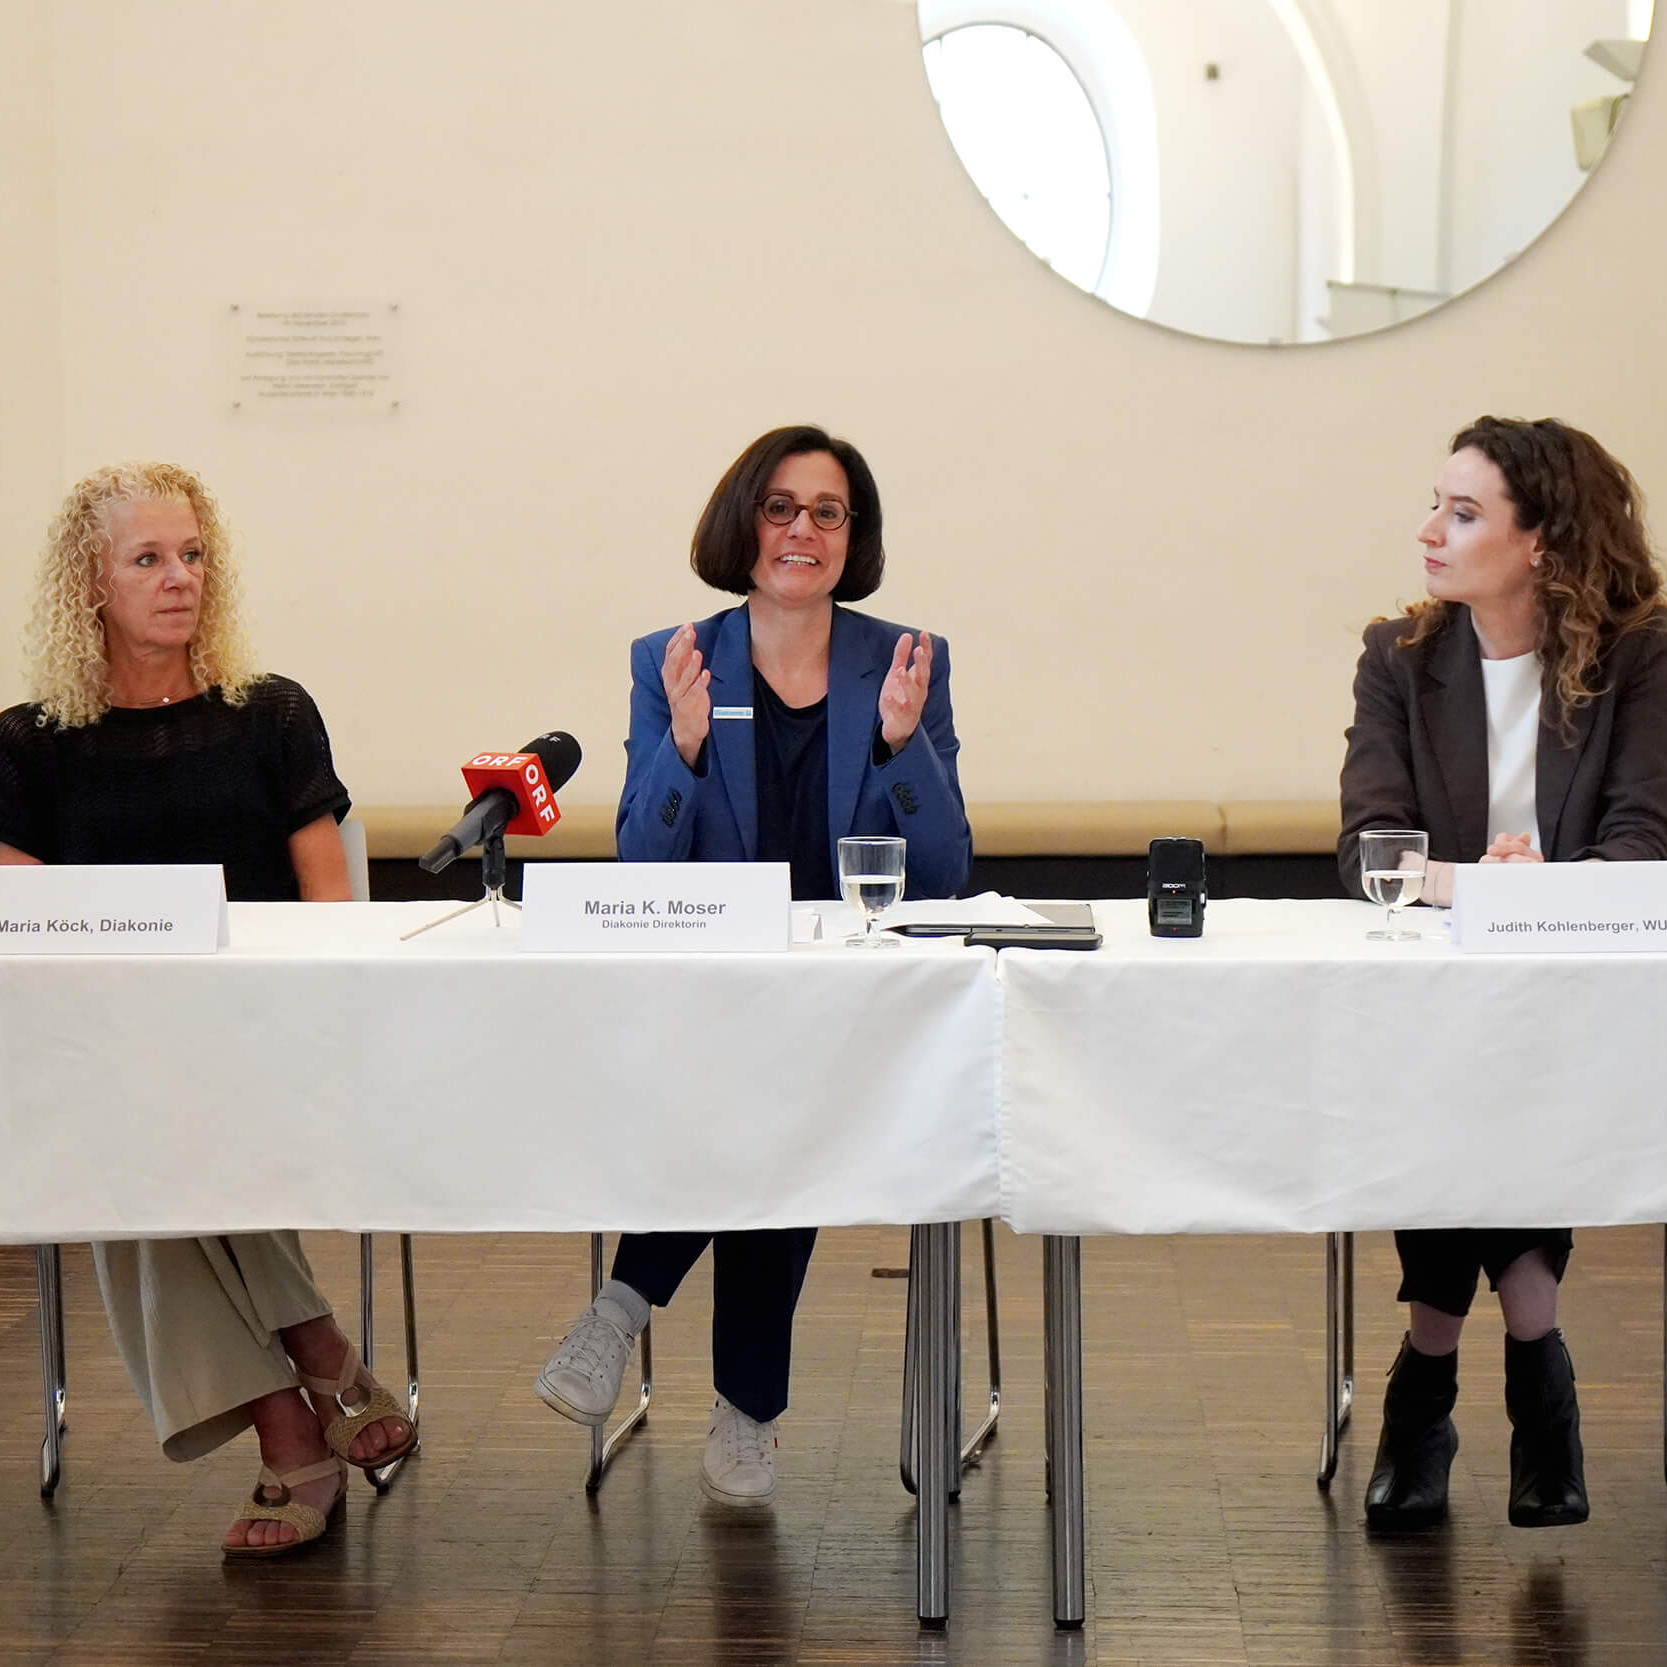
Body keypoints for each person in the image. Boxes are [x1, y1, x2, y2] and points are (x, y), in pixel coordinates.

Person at [535, 424, 971, 1504]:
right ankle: (746, 1407)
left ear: (851, 537)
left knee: (780, 1088)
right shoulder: (671, 658)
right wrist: (680, 747)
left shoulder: (906, 658)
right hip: (714, 988)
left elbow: (948, 866)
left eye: (828, 511)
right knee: (766, 1095)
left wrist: (898, 744)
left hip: (844, 991)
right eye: (781, 506)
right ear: (743, 522)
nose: (802, 530)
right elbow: (642, 858)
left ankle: (625, 1304)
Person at [0, 462, 415, 1558]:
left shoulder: (269, 713)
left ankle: (294, 1435)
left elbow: (333, 909)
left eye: (192, 555)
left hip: (263, 1042)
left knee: (124, 1153)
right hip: (109, 1048)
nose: (179, 577)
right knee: (123, 1119)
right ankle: (313, 1360)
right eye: (148, 557)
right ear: (89, 583)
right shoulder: (26, 742)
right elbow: (21, 926)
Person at [1339, 416, 1667, 1531]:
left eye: (1463, 511)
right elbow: (1370, 841)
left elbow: (1641, 845)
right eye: (1433, 503)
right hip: (1441, 977)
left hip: (1581, 976)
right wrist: (1473, 885)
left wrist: (1533, 890)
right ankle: (1537, 1360)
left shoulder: (1638, 656)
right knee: (1463, 1058)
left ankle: (1424, 1378)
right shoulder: (1399, 653)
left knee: (1511, 1055)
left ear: (1540, 540)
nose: (1429, 530)